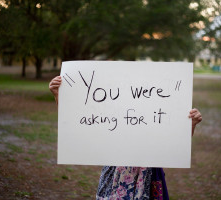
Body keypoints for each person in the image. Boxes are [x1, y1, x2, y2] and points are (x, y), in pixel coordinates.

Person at [49, 76, 202, 200]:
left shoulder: (155, 116)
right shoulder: (113, 115)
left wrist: (191, 123)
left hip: (149, 178)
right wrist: (59, 96)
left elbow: (175, 142)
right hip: (115, 177)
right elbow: (78, 124)